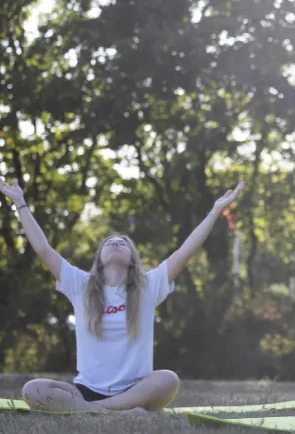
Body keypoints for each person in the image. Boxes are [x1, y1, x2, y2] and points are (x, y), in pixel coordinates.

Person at [0, 176, 244, 413]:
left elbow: (184, 253)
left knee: (168, 380)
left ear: (132, 260)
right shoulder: (80, 284)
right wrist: (20, 204)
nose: (115, 243)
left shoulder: (148, 286)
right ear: (99, 259)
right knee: (33, 389)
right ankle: (109, 413)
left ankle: (90, 412)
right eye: (109, 242)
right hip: (86, 390)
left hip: (135, 390)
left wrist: (214, 211)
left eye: (123, 243)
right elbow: (42, 249)